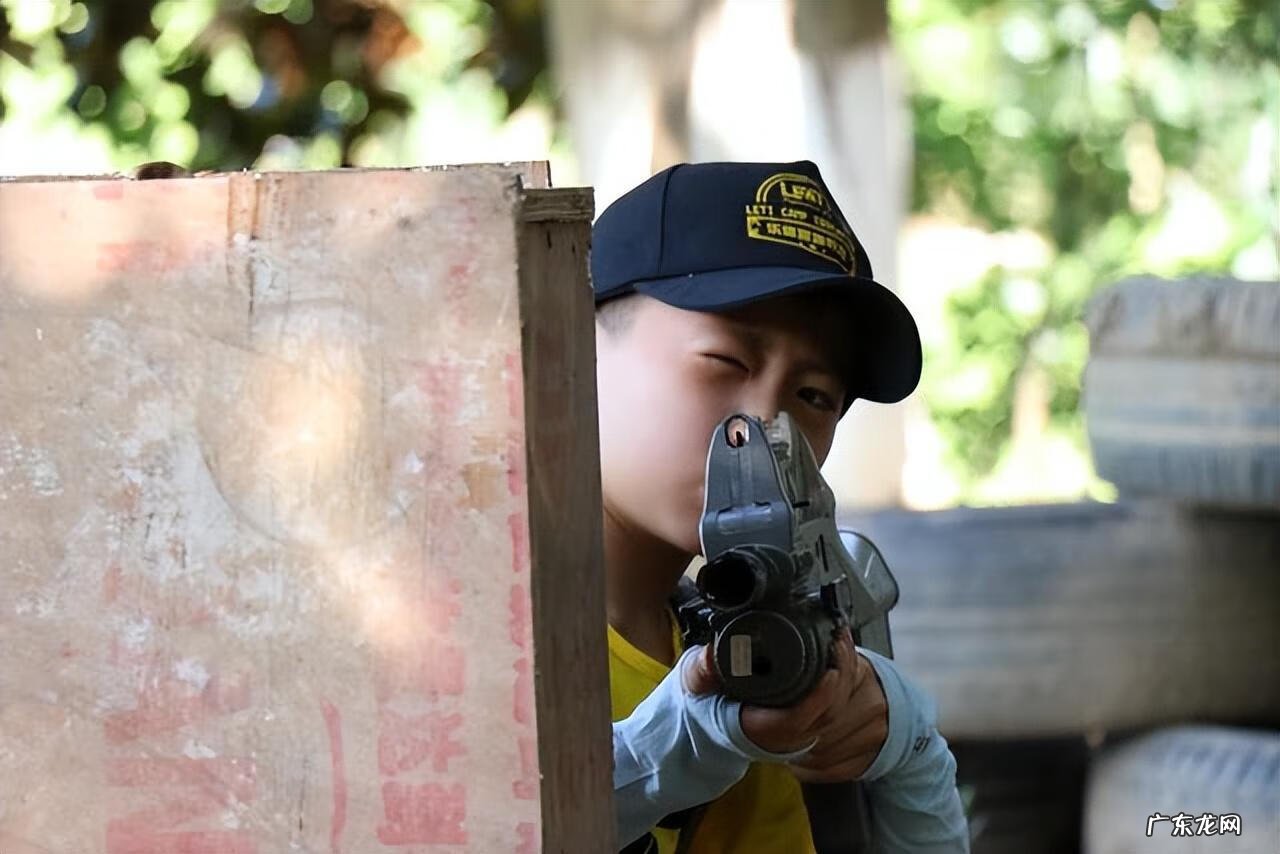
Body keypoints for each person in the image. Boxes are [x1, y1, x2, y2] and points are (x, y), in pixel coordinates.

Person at [596, 161, 970, 853]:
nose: (766, 425)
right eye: (726, 362)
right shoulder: (470, 642)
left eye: (815, 397)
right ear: (571, 342)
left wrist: (909, 750)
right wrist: (669, 751)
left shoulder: (758, 653)